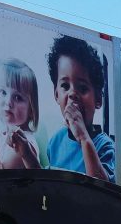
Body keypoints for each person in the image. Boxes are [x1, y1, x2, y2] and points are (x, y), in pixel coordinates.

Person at [46, 35, 116, 182]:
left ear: (98, 99)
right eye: (65, 86)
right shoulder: (55, 142)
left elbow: (103, 190)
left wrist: (84, 138)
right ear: (56, 94)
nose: (72, 93)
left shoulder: (105, 145)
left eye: (82, 88)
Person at [0, 59, 41, 170]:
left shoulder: (21, 144)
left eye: (18, 97)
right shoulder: (4, 132)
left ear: (31, 109)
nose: (8, 102)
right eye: (3, 92)